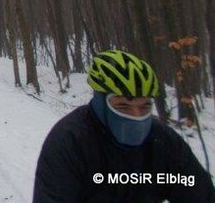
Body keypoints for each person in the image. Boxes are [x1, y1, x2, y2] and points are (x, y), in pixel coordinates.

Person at [33, 49, 215, 202]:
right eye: (123, 106)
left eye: (145, 106)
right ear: (100, 102)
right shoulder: (69, 141)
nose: (136, 116)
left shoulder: (163, 142)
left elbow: (198, 191)